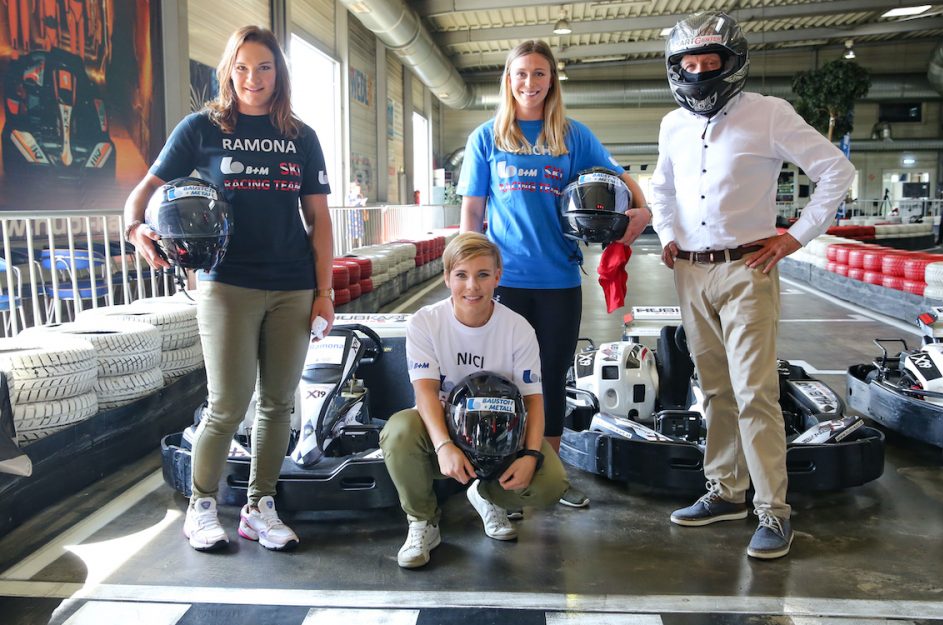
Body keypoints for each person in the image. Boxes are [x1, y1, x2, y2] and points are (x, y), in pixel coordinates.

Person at [649, 11, 855, 560]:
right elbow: (661, 186)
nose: (697, 73)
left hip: (748, 270)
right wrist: (667, 233)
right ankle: (726, 491)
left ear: (732, 64)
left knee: (754, 392)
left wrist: (795, 237)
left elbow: (836, 170)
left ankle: (773, 511)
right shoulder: (673, 125)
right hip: (689, 272)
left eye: (708, 63)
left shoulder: (770, 115)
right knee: (714, 389)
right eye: (687, 64)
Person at [122, 25, 333, 552]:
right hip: (226, 284)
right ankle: (201, 506)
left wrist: (325, 290)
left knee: (280, 403)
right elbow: (145, 190)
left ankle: (261, 507)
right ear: (228, 70)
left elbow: (320, 220)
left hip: (292, 285)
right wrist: (135, 229)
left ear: (278, 73)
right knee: (228, 404)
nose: (252, 78)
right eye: (241, 67)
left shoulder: (301, 136)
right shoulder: (203, 128)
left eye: (263, 67)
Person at [457, 40, 650, 509]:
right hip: (504, 282)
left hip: (559, 281)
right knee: (497, 378)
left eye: (539, 74)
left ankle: (549, 474)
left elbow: (618, 178)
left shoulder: (572, 136)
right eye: (521, 73)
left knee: (548, 377)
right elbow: (472, 214)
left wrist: (640, 210)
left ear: (551, 81)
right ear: (509, 79)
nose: (530, 83)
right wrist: (468, 276)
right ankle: (493, 472)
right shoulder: (488, 137)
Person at [379, 232, 568, 568]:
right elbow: (423, 392)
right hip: (446, 426)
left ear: (498, 276)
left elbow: (535, 399)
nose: (472, 287)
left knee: (551, 482)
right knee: (399, 431)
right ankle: (423, 520)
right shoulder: (426, 322)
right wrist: (442, 446)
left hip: (502, 434)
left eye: (483, 275)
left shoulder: (518, 328)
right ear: (446, 277)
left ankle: (486, 495)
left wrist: (530, 454)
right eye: (461, 275)